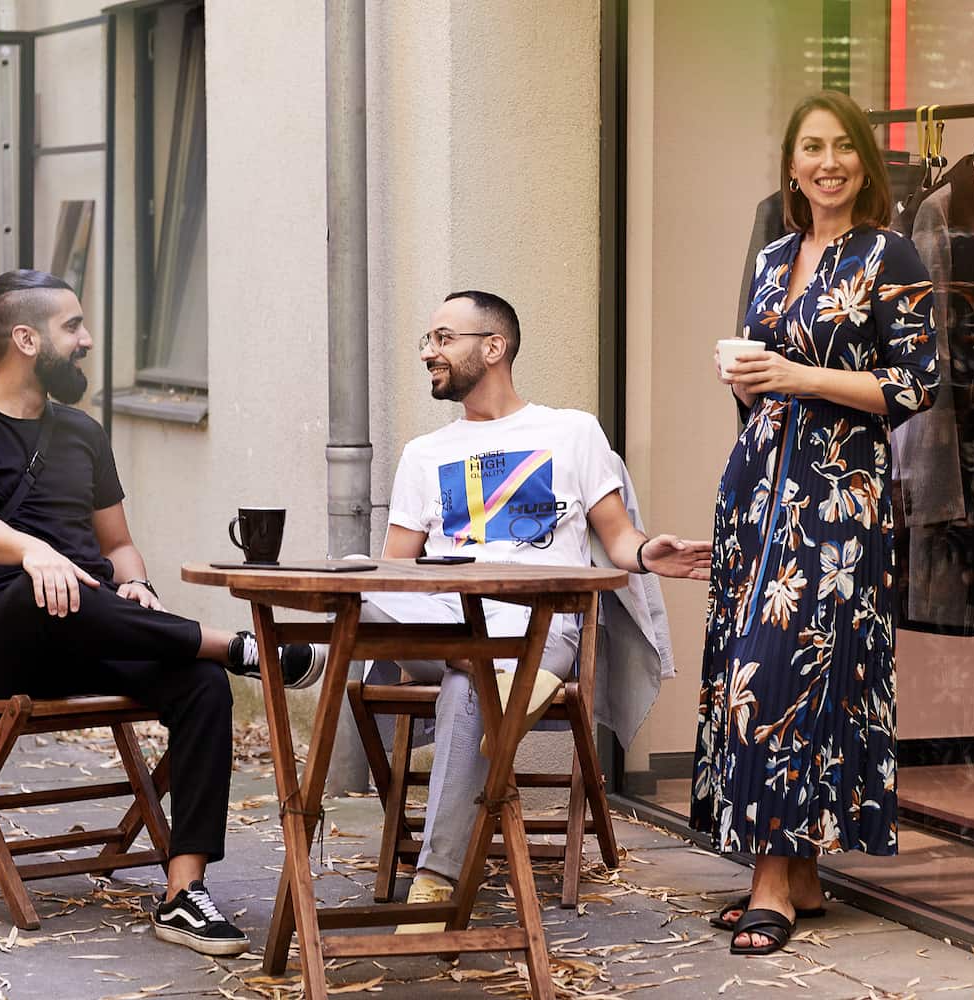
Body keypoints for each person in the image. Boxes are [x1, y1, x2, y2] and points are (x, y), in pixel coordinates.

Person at [0, 268, 326, 957]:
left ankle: (184, 892)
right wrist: (33, 553)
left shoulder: (81, 432)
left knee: (199, 686)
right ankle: (238, 645)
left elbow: (119, 544)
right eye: (72, 327)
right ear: (26, 338)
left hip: (97, 625)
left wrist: (139, 589)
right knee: (52, 589)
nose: (86, 340)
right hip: (4, 636)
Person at [372, 289, 711, 933]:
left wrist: (647, 553)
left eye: (443, 338)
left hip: (534, 625)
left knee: (469, 682)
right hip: (443, 621)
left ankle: (437, 880)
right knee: (399, 619)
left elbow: (616, 540)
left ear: (492, 348)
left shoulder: (570, 431)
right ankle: (316, 656)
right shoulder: (422, 453)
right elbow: (396, 572)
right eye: (428, 340)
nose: (428, 352)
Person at [691, 91, 939, 957]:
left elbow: (912, 388)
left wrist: (797, 375)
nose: (826, 162)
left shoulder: (891, 253)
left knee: (784, 674)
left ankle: (770, 884)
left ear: (865, 162)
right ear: (792, 166)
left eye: (842, 147)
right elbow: (765, 375)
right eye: (811, 148)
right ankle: (801, 876)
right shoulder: (772, 257)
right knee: (746, 666)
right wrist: (751, 379)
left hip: (837, 502)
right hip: (758, 487)